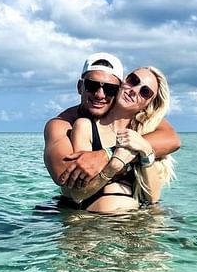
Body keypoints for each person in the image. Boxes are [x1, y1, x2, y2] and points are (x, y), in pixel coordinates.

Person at [43, 53, 180, 206]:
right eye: (92, 86)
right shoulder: (68, 124)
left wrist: (120, 154)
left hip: (137, 221)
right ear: (80, 87)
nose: (100, 94)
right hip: (96, 222)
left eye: (109, 88)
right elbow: (69, 181)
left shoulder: (143, 130)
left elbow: (172, 140)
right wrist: (114, 161)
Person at [69, 66, 174, 212]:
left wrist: (146, 150)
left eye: (145, 92)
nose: (134, 90)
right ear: (122, 82)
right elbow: (78, 194)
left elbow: (153, 198)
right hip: (96, 225)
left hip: (139, 224)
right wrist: (114, 165)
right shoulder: (85, 127)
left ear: (148, 103)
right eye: (133, 81)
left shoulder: (144, 135)